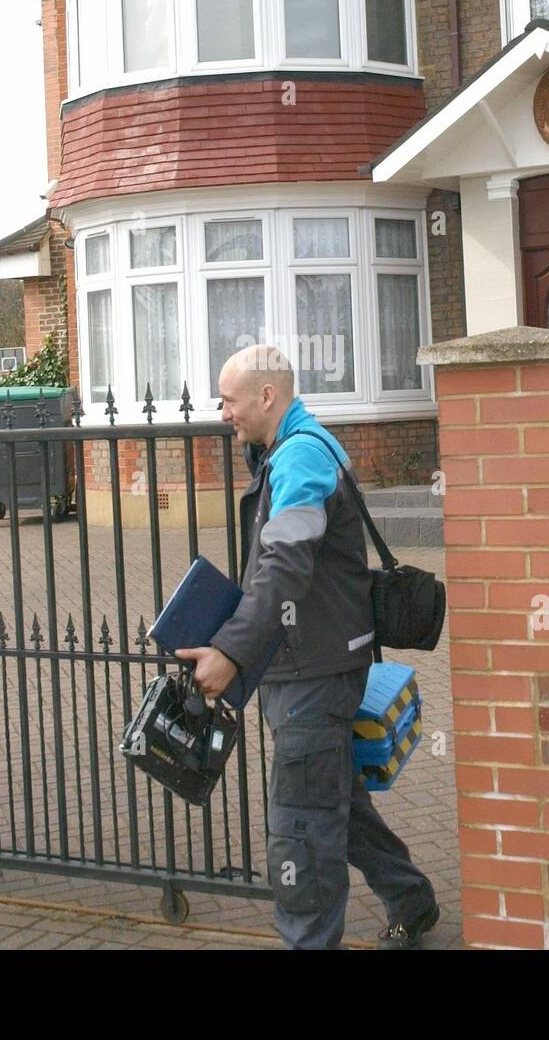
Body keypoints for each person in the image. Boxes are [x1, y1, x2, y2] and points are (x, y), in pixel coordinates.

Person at [177, 345, 438, 950]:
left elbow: (283, 567)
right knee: (337, 808)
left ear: (267, 397)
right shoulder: (296, 451)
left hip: (312, 677)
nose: (224, 413)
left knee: (300, 834)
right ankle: (413, 901)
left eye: (231, 401)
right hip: (318, 664)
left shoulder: (299, 460)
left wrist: (233, 652)